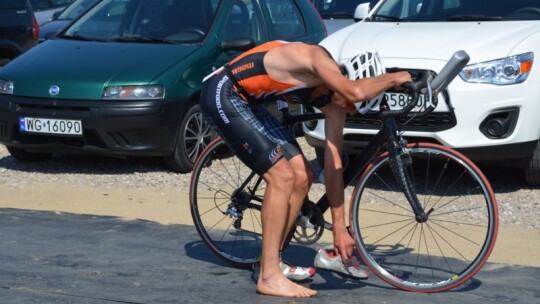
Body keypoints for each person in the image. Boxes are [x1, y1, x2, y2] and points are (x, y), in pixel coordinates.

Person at [199, 40, 411, 298]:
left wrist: (340, 228)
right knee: (283, 178)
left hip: (250, 103)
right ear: (343, 80)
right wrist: (397, 77)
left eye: (355, 110)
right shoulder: (314, 58)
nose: (348, 109)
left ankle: (272, 261)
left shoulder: (336, 101)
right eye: (351, 103)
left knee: (303, 176)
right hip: (223, 93)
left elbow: (334, 166)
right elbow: (355, 93)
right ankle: (268, 276)